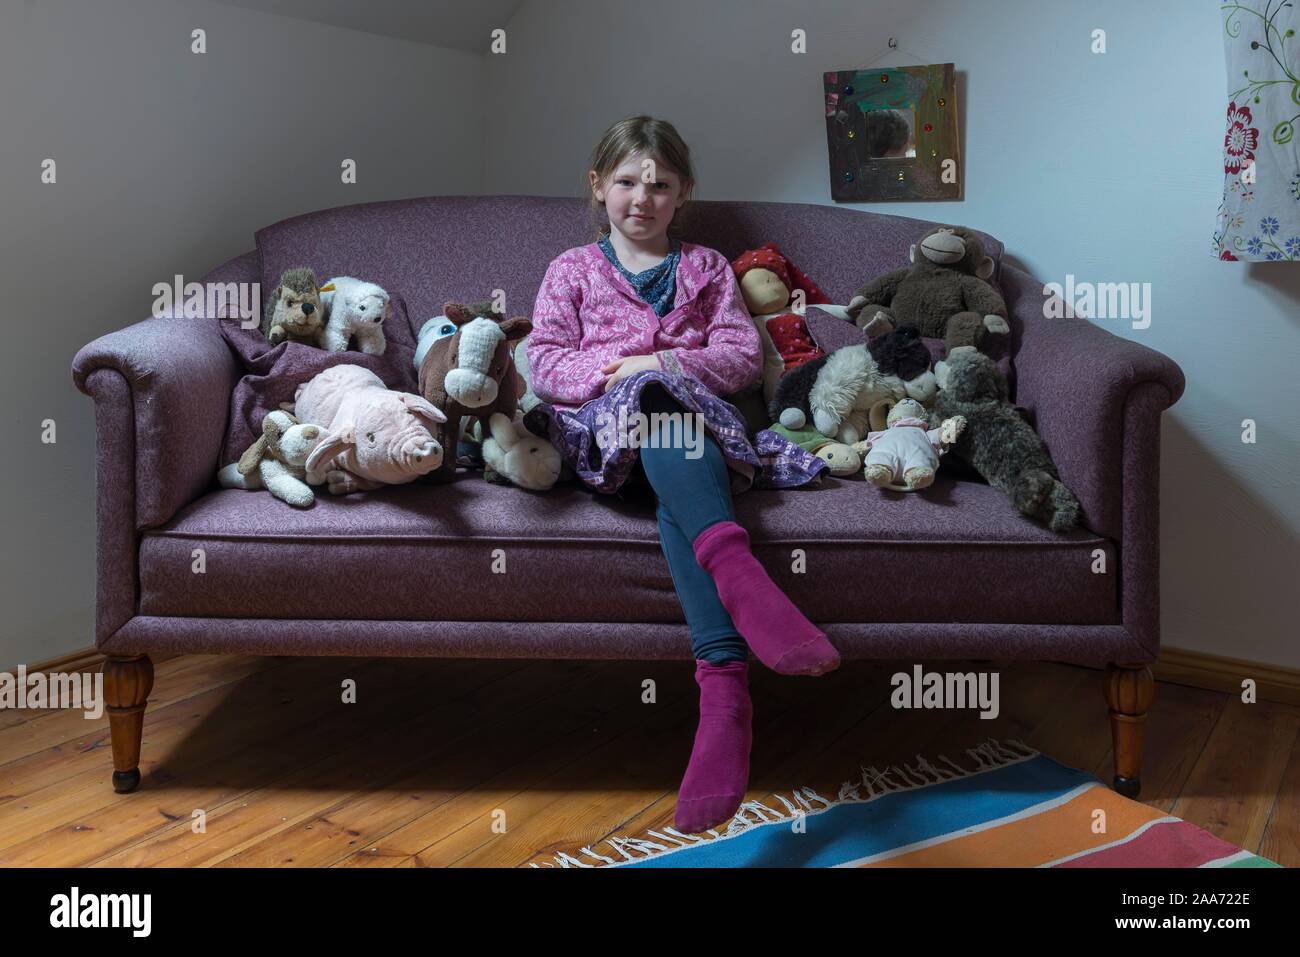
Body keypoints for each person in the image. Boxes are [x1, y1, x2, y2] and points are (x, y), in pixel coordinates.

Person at [526, 116, 839, 835]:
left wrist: (661, 366)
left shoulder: (706, 268)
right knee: (655, 405)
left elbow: (737, 358)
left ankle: (724, 700)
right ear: (599, 186)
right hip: (604, 435)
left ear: (683, 192)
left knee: (675, 438)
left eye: (660, 184)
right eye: (628, 181)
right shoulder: (571, 270)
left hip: (691, 440)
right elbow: (543, 360)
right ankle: (741, 588)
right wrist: (624, 371)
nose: (643, 196)